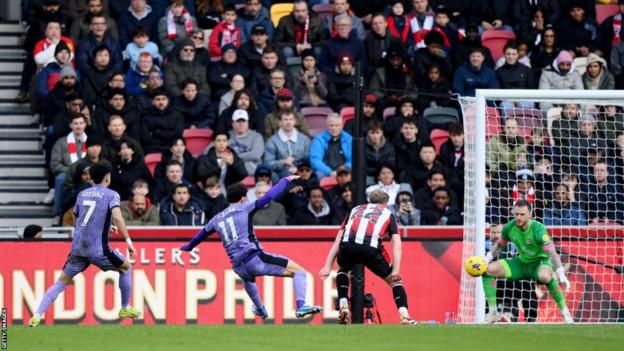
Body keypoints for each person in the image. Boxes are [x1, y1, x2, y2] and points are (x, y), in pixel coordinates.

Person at [181, 176, 323, 319]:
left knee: (248, 279)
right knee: (299, 271)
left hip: (238, 267)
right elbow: (269, 196)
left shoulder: (217, 218)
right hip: (254, 259)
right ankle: (301, 306)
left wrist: (189, 246)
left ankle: (261, 309)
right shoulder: (245, 207)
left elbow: (202, 234)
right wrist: (286, 180)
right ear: (243, 198)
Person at [29, 160, 141, 327]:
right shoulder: (112, 195)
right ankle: (125, 307)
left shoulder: (82, 194)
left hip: (78, 249)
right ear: (107, 178)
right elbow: (118, 217)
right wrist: (128, 241)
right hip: (98, 250)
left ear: (91, 178)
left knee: (61, 282)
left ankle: (37, 315)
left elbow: (77, 218)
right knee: (126, 267)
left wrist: (99, 227)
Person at [319, 189, 417, 325]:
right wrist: (395, 271)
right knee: (395, 283)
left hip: (348, 246)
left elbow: (338, 240)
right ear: (386, 203)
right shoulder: (388, 214)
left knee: (342, 270)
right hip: (370, 249)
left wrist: (327, 266)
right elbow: (397, 244)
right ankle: (404, 316)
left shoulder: (355, 210)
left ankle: (343, 304)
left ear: (369, 201)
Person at [481, 200, 573, 324]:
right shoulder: (509, 227)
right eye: (516, 214)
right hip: (521, 263)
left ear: (530, 214)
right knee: (487, 270)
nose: (518, 217)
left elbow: (552, 253)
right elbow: (498, 246)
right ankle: (492, 312)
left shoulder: (538, 229)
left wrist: (561, 275)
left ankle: (564, 311)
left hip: (539, 263)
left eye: (522, 214)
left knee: (544, 277)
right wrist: (486, 260)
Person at [310, 113, 353, 178]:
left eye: (336, 125)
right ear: (327, 126)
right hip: (325, 172)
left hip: (345, 171)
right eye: (331, 125)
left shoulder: (349, 139)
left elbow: (352, 159)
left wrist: (342, 170)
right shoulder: (319, 139)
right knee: (318, 174)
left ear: (341, 126)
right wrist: (329, 172)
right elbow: (315, 160)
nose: (334, 128)